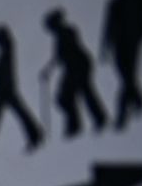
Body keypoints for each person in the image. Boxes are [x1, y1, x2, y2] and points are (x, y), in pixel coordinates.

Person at [0, 26, 43, 163]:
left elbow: (0, 74)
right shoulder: (5, 52)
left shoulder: (6, 51)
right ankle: (35, 136)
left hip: (5, 91)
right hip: (4, 91)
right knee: (15, 116)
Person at [42, 9, 107, 138]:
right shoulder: (61, 34)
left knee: (77, 94)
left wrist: (49, 70)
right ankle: (82, 123)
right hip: (74, 67)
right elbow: (58, 57)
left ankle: (84, 123)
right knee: (72, 95)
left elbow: (62, 55)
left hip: (79, 66)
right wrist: (47, 70)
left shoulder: (66, 32)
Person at [100, 0, 142, 129]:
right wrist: (105, 47)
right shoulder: (114, 3)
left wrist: (139, 36)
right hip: (119, 45)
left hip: (131, 42)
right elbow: (108, 26)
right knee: (127, 77)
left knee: (127, 78)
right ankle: (139, 101)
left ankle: (122, 116)